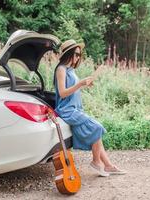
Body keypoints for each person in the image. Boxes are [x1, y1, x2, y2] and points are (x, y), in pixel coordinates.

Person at [54, 39, 126, 177]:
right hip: (66, 110)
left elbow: (73, 89)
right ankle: (96, 161)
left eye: (79, 55)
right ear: (68, 54)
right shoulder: (61, 69)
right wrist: (80, 84)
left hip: (75, 109)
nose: (77, 57)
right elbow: (63, 93)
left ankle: (109, 166)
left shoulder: (71, 70)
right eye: (75, 54)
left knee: (96, 135)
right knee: (97, 128)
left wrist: (85, 84)